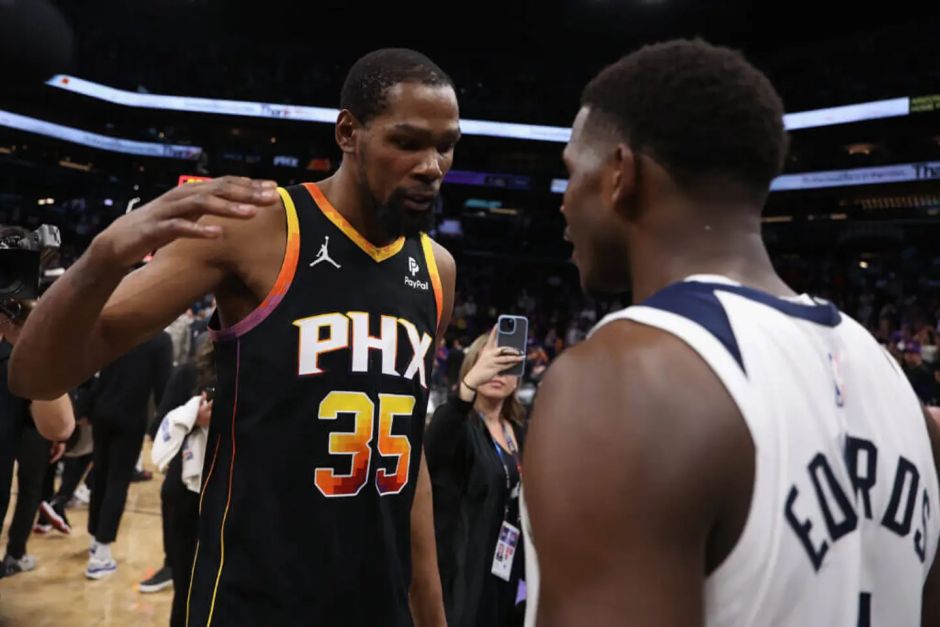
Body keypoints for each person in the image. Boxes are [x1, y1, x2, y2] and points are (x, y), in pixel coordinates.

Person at [10, 47, 457, 626]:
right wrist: (102, 257)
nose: (432, 165)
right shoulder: (255, 227)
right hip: (254, 600)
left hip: (376, 604)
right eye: (408, 142)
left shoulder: (437, 269)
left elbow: (408, 460)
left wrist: (432, 616)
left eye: (446, 145)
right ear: (348, 132)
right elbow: (35, 374)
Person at [521, 39, 940, 626]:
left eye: (572, 174)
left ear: (620, 175)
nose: (565, 202)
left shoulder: (624, 380)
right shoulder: (904, 398)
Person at [426, 329, 526, 627]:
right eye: (490, 363)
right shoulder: (456, 423)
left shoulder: (519, 431)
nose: (498, 373)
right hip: (462, 571)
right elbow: (433, 449)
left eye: (507, 365)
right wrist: (466, 389)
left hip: (504, 566)